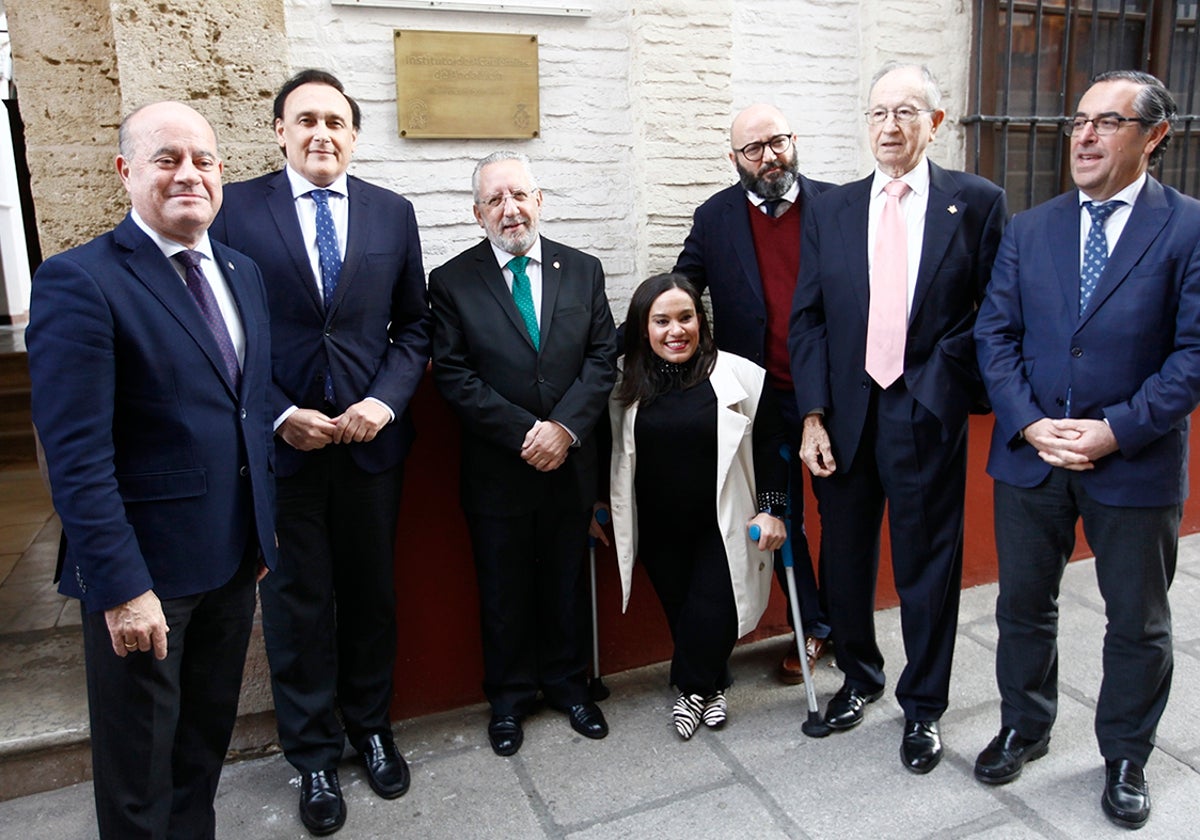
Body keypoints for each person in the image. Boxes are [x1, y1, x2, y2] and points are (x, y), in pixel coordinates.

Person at [26, 101, 276, 839]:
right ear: (127, 171)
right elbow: (76, 456)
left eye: (203, 159)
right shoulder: (81, 281)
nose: (188, 174)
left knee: (201, 747)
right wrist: (123, 588)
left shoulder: (242, 273)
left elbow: (245, 414)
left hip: (233, 562)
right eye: (167, 159)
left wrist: (260, 537)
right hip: (146, 579)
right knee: (139, 768)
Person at [972, 70, 1200, 830]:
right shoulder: (1030, 228)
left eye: (1108, 122)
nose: (1086, 136)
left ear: (1155, 136)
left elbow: (1193, 355)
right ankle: (1025, 725)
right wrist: (1031, 423)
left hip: (1132, 459)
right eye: (1079, 122)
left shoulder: (1190, 228)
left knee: (1137, 621)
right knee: (1023, 607)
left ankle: (1127, 754)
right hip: (1033, 457)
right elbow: (993, 336)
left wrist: (1117, 429)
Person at [210, 69, 430, 836]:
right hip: (284, 454)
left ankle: (370, 727)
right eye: (306, 120)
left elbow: (415, 327)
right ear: (279, 130)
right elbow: (216, 329)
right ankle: (310, 753)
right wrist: (275, 415)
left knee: (372, 594)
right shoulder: (234, 209)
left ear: (354, 134)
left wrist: (382, 400)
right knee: (297, 606)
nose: (321, 134)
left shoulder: (392, 213)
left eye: (336, 121)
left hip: (372, 448)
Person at [788, 62, 1006, 773]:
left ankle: (924, 708)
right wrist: (813, 416)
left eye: (906, 112)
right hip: (845, 416)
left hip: (924, 412)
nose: (890, 126)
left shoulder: (975, 203)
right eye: (879, 112)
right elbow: (809, 318)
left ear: (935, 124)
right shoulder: (833, 209)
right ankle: (859, 679)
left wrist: (944, 380)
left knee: (927, 566)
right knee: (845, 561)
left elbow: (997, 315)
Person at [429, 151, 618, 757]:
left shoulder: (583, 271)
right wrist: (524, 432)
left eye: (519, 196)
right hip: (497, 470)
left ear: (539, 200)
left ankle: (568, 685)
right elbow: (454, 376)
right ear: (477, 212)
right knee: (504, 589)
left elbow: (601, 359)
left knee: (565, 578)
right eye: (495, 200)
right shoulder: (452, 282)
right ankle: (509, 699)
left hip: (569, 463)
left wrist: (562, 428)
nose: (509, 209)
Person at [673, 104, 835, 685]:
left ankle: (843, 622)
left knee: (842, 517)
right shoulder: (714, 217)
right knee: (780, 511)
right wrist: (632, 338)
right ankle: (811, 625)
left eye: (778, 142)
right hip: (760, 402)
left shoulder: (838, 206)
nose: (769, 157)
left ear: (794, 140)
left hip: (833, 394)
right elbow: (682, 288)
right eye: (753, 149)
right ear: (734, 158)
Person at [608, 273, 786, 738]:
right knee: (685, 615)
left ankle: (689, 689)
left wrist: (771, 508)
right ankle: (716, 684)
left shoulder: (739, 375)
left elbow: (770, 445)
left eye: (686, 317)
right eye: (661, 320)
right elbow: (603, 450)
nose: (676, 330)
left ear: (701, 322)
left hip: (721, 522)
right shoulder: (622, 382)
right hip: (656, 527)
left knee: (713, 609)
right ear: (643, 328)